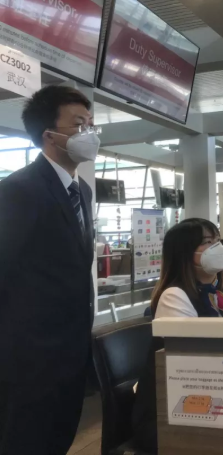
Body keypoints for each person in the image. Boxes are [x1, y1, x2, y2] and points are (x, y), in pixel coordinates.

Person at [0, 86, 99, 454]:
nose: (90, 134)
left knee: (59, 438)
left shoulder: (82, 190)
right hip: (29, 356)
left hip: (72, 349)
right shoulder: (19, 189)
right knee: (26, 442)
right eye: (79, 124)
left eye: (91, 124)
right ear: (49, 135)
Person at [131, 218, 223, 451]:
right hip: (173, 411)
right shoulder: (174, 297)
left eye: (218, 240)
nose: (217, 248)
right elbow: (200, 363)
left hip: (217, 396)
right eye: (208, 242)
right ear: (185, 252)